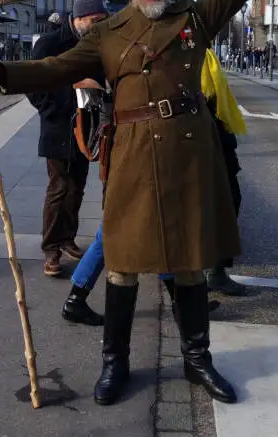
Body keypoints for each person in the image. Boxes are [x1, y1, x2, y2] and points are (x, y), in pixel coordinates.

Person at [0, 0, 278, 406]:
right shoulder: (107, 33)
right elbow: (54, 69)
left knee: (191, 263)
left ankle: (198, 360)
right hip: (130, 153)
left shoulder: (195, 19)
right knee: (124, 263)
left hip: (189, 155)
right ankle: (116, 365)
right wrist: (0, 72)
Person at [63, 46, 247, 324]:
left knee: (159, 229)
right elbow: (97, 115)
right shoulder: (115, 57)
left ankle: (177, 303)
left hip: (140, 155)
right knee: (117, 231)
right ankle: (77, 298)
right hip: (128, 158)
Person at [27, 0, 108, 277]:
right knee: (59, 188)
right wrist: (57, 106)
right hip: (58, 126)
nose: (100, 24)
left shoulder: (97, 45)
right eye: (96, 19)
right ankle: (51, 249)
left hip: (86, 128)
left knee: (77, 187)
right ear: (80, 17)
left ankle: (68, 238)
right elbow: (33, 86)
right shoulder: (49, 44)